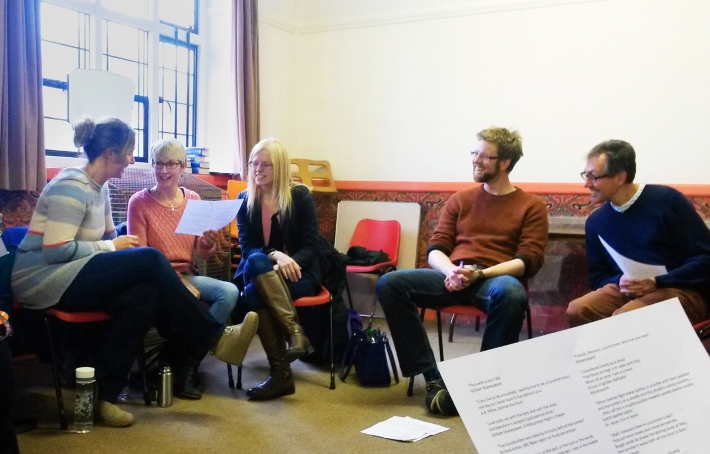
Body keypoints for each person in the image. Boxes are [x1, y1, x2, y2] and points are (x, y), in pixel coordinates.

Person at [11, 117, 258, 427]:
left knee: (146, 296)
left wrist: (114, 247)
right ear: (111, 154)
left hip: (74, 273)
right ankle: (214, 337)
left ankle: (106, 398)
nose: (132, 160)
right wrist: (111, 247)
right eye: (129, 153)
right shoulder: (70, 185)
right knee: (151, 259)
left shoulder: (99, 188)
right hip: (43, 280)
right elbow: (58, 250)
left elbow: (108, 241)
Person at [376, 126, 548, 416]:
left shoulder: (531, 206)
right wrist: (451, 272)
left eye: (484, 156)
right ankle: (432, 377)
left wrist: (480, 274)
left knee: (511, 292)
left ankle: (482, 383)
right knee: (390, 283)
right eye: (474, 153)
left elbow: (527, 261)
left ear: (505, 162)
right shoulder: (461, 199)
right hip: (451, 275)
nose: (475, 160)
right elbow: (436, 248)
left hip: (492, 279)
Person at [127, 139, 239, 400]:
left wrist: (208, 244)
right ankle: (191, 364)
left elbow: (200, 252)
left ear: (182, 167)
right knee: (198, 301)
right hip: (157, 281)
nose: (164, 170)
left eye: (171, 164)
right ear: (152, 166)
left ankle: (183, 360)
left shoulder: (194, 199)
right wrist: (177, 282)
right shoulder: (139, 202)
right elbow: (141, 258)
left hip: (189, 275)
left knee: (230, 292)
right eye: (159, 164)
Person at [566, 140, 710, 326]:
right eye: (585, 175)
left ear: (620, 177)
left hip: (683, 289)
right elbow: (598, 278)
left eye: (594, 177)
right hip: (629, 291)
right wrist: (622, 281)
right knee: (578, 310)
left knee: (627, 316)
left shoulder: (668, 201)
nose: (586, 184)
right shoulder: (596, 221)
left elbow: (705, 258)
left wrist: (657, 281)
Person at [234, 138, 321, 400]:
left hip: (299, 274)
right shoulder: (244, 199)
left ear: (280, 167)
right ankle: (297, 335)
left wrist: (289, 261)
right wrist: (276, 256)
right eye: (253, 163)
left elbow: (311, 246)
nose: (257, 169)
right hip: (259, 269)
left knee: (253, 294)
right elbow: (248, 248)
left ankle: (280, 375)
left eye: (265, 165)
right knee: (258, 261)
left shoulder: (300, 196)